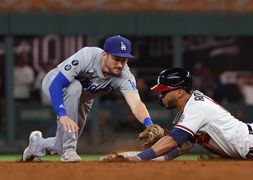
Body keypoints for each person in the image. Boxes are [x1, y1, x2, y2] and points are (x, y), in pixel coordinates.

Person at [122, 68, 253, 161]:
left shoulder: (195, 108)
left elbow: (176, 140)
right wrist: (155, 158)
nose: (160, 94)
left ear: (180, 91)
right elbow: (184, 145)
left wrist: (140, 158)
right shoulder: (187, 111)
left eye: (164, 90)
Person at [22, 35, 163, 162]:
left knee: (60, 144)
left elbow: (136, 103)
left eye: (124, 60)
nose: (120, 64)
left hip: (83, 98)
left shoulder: (125, 75)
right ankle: (69, 149)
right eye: (116, 59)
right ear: (104, 55)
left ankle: (37, 145)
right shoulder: (87, 56)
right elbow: (56, 85)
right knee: (75, 86)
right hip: (54, 82)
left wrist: (149, 124)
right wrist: (62, 114)